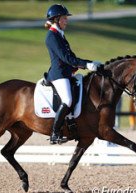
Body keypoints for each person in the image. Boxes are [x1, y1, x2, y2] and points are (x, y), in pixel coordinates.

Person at [44, 4, 103, 144]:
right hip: (59, 74)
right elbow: (66, 59)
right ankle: (55, 133)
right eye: (64, 18)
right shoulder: (52, 36)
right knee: (68, 100)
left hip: (67, 73)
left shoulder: (60, 35)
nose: (66, 20)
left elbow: (72, 56)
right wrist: (87, 65)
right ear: (56, 19)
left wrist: (91, 62)